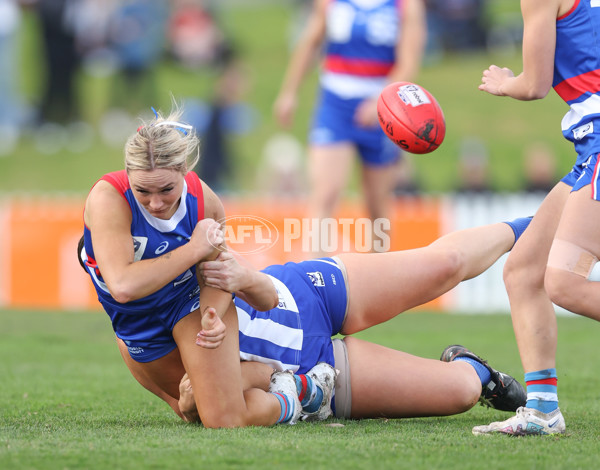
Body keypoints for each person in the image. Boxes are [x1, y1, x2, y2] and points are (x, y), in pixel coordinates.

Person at [178, 216, 533, 424]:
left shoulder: (192, 246)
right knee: (463, 391)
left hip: (307, 294)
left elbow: (254, 284)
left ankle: (537, 225)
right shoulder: (146, 340)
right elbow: (224, 397)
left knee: (445, 266)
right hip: (319, 374)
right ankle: (481, 372)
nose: (158, 203)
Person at [472, 0, 600, 436]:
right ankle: (543, 409)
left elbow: (536, 84)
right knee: (524, 271)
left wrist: (505, 82)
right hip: (590, 151)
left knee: (564, 282)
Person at [273, 0, 427, 254]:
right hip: (335, 104)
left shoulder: (406, 5)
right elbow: (311, 42)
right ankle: (312, 277)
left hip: (384, 110)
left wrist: (379, 100)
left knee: (377, 206)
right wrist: (289, 92)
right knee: (325, 194)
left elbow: (409, 62)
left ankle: (381, 283)